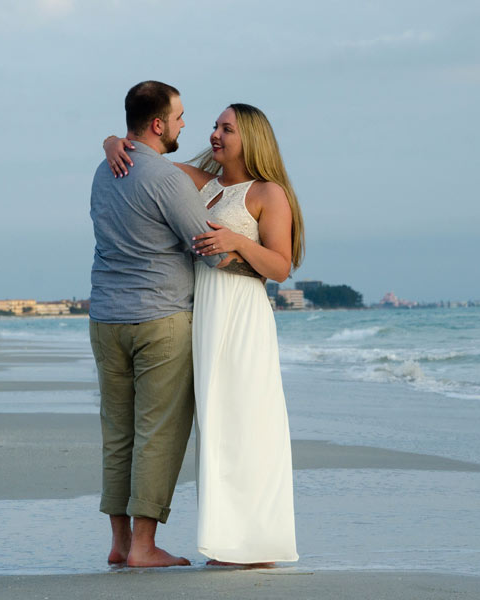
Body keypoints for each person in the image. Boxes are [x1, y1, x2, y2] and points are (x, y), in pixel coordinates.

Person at [103, 102, 304, 566]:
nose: (215, 134)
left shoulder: (267, 193)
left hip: (241, 316)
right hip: (204, 314)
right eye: (215, 126)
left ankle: (257, 544)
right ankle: (226, 540)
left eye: (227, 129)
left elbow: (280, 266)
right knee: (216, 427)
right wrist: (112, 143)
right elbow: (147, 159)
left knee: (247, 423)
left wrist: (238, 241)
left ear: (250, 137)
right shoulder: (203, 184)